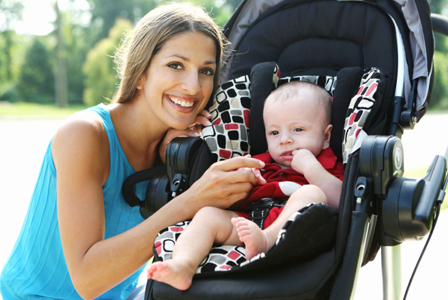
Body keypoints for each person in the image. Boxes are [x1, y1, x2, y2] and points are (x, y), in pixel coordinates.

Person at [0, 3, 265, 300]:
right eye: (175, 65)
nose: (192, 87)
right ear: (140, 73)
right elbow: (87, 280)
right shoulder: (84, 134)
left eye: (206, 71)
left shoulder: (177, 150)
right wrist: (193, 199)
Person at [146, 81, 344, 291]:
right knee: (207, 215)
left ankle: (266, 240)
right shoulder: (258, 162)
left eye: (297, 129)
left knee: (312, 193)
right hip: (247, 222)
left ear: (326, 136)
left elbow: (342, 201)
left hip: (296, 231)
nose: (285, 140)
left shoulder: (327, 165)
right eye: (274, 133)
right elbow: (230, 200)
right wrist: (243, 180)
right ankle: (183, 264)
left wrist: (311, 168)